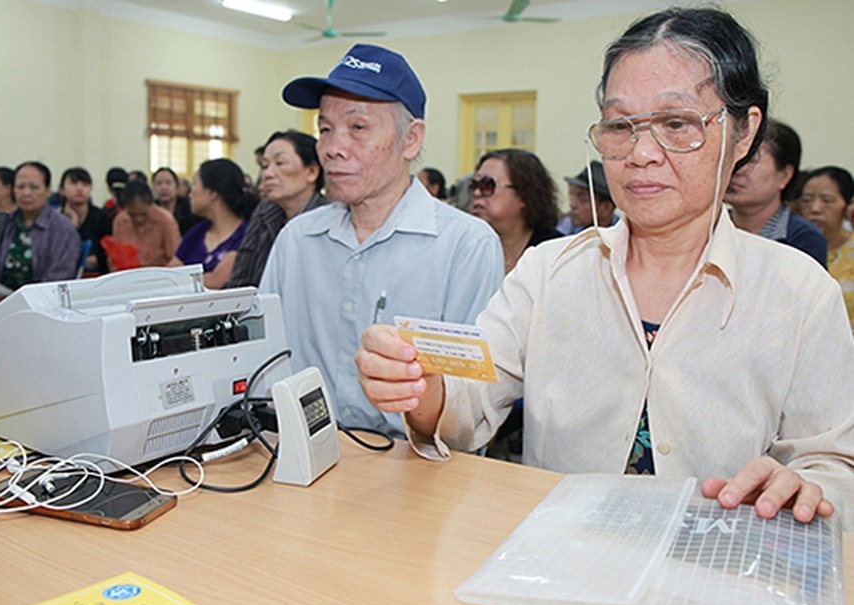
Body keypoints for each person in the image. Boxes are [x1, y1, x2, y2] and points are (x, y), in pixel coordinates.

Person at [355, 8, 854, 525]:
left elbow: (835, 464)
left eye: (676, 123)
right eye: (620, 126)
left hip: (716, 576)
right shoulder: (548, 273)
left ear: (744, 133)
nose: (640, 153)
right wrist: (422, 390)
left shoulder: (798, 293)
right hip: (558, 560)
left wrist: (806, 486)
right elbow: (469, 405)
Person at [261, 43, 503, 438]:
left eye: (358, 128)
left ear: (411, 140)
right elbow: (264, 365)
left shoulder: (465, 246)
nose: (332, 148)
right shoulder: (297, 241)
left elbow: (472, 404)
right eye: (324, 129)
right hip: (304, 454)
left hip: (419, 467)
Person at [225, 129, 330, 289]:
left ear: (312, 172)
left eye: (280, 163)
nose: (267, 174)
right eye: (265, 165)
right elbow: (242, 281)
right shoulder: (265, 212)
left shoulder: (331, 217)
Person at [725, 120, 826, 267]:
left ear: (785, 175)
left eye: (751, 160)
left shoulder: (803, 238)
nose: (738, 168)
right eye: (735, 157)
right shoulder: (707, 228)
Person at [0, 161, 80, 297]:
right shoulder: (6, 222)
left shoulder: (63, 229)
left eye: (34, 187)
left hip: (39, 304)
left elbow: (57, 280)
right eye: (20, 186)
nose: (26, 193)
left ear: (48, 190)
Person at [469, 148, 560, 273]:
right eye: (474, 184)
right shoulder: (467, 245)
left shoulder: (555, 252)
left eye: (488, 185)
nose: (477, 192)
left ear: (523, 195)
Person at [171, 159, 255, 289]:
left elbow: (217, 281)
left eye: (195, 184)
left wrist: (179, 280)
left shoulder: (246, 236)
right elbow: (169, 275)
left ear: (212, 193)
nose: (190, 193)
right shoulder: (197, 232)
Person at [799, 166, 854, 327]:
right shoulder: (795, 248)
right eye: (807, 200)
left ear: (847, 205)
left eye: (827, 200)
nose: (815, 209)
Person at [109, 180, 180, 268]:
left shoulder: (165, 221)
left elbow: (175, 259)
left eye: (144, 214)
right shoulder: (120, 221)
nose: (139, 219)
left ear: (151, 204)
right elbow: (115, 258)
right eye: (132, 215)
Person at [58, 167, 109, 273]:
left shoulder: (101, 217)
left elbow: (107, 254)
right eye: (74, 183)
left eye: (85, 185)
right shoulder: (55, 219)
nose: (79, 188)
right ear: (61, 190)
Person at [555, 161, 617, 235]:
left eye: (582, 198)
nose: (572, 204)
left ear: (606, 208)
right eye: (572, 194)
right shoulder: (566, 226)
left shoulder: (623, 236)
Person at [152, 167, 194, 237]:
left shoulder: (189, 209)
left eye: (168, 183)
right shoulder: (150, 210)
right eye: (159, 184)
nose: (164, 187)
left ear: (177, 187)